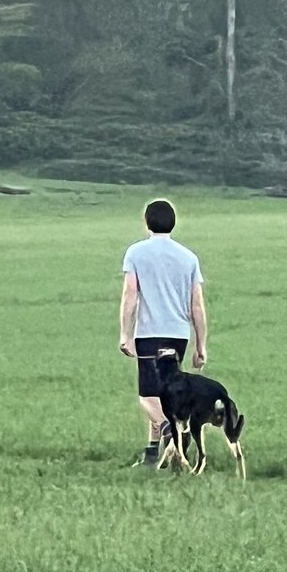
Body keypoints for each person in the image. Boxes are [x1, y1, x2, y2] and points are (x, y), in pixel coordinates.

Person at [118, 199, 207, 467]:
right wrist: (201, 345)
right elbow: (197, 305)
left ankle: (172, 431)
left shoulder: (136, 253)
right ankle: (153, 454)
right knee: (166, 393)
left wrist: (125, 333)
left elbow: (130, 294)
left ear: (147, 222)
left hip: (149, 334)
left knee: (147, 396)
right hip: (178, 335)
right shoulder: (188, 257)